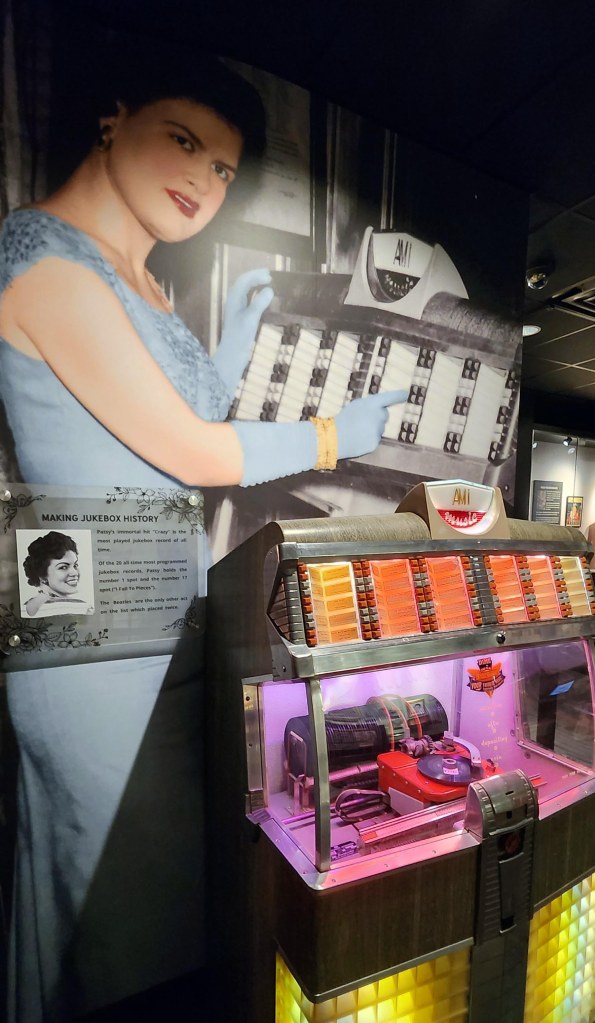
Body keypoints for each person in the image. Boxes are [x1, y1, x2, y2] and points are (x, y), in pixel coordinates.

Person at [0, 49, 407, 1023]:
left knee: (148, 910)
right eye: (183, 141)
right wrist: (332, 436)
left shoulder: (142, 279)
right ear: (114, 117)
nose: (204, 181)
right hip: (95, 642)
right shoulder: (43, 260)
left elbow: (158, 426)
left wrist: (223, 349)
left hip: (162, 624)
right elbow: (188, 449)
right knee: (127, 921)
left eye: (222, 168)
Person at [21, 532, 89, 617]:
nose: (75, 573)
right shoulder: (81, 608)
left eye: (75, 565)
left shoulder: (24, 607)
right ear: (43, 576)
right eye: (63, 567)